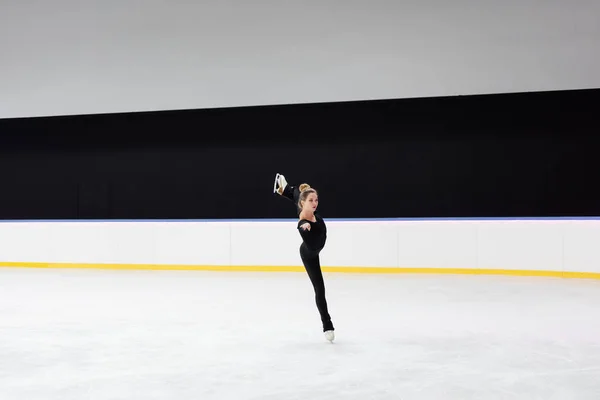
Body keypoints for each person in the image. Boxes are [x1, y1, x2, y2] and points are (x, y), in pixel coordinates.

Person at [273, 173, 335, 342]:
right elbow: (300, 225)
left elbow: (301, 199)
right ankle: (327, 325)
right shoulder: (304, 219)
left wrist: (303, 191)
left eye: (316, 200)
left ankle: (286, 190)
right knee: (319, 289)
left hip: (314, 244)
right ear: (304, 203)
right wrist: (303, 226)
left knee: (296, 196)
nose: (315, 203)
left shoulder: (305, 206)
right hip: (309, 254)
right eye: (311, 200)